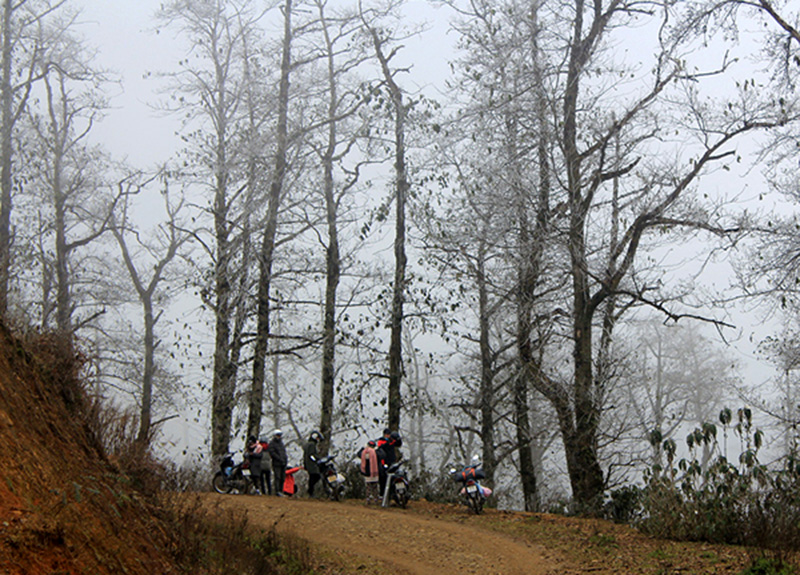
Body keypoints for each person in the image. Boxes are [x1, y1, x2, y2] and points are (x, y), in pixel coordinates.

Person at [375, 428, 402, 497]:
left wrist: (397, 439)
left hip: (392, 461)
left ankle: (393, 493)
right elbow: (381, 446)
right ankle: (382, 493)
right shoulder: (381, 441)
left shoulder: (392, 441)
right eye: (386, 434)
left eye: (389, 434)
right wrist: (388, 443)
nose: (388, 436)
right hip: (384, 462)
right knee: (383, 478)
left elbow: (398, 444)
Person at [267, 429, 288, 497]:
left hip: (283, 463)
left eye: (280, 435)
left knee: (282, 477)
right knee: (277, 477)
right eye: (278, 435)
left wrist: (285, 459)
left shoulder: (281, 443)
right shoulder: (272, 444)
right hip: (276, 463)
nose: (279, 436)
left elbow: (284, 452)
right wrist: (279, 459)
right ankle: (277, 491)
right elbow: (272, 453)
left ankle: (281, 490)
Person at [360, 440, 380, 505]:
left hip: (366, 471)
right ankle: (375, 499)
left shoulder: (363, 452)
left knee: (368, 487)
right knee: (375, 486)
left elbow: (359, 454)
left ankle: (368, 499)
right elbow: (382, 455)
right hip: (374, 471)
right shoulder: (375, 452)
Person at [303, 430, 323, 497]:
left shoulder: (308, 444)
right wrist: (316, 460)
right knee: (316, 476)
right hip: (311, 464)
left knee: (313, 477)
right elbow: (311, 455)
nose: (318, 439)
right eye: (317, 438)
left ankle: (311, 491)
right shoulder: (312, 444)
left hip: (308, 463)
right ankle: (310, 491)